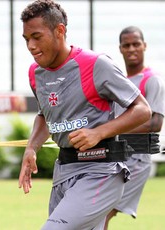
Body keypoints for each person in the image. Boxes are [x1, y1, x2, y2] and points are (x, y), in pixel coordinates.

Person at [18, 1, 152, 229]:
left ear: (59, 31)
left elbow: (142, 110)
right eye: (26, 39)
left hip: (101, 171)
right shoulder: (35, 72)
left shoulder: (96, 64)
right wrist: (32, 147)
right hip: (64, 170)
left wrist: (98, 133)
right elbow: (44, 115)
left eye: (36, 37)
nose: (30, 46)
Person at [104, 26, 165, 229]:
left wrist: (112, 130)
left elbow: (155, 123)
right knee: (94, 211)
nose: (131, 49)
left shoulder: (152, 80)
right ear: (120, 49)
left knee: (102, 213)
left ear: (144, 46)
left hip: (137, 159)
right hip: (116, 155)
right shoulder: (121, 80)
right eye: (126, 45)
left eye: (136, 44)